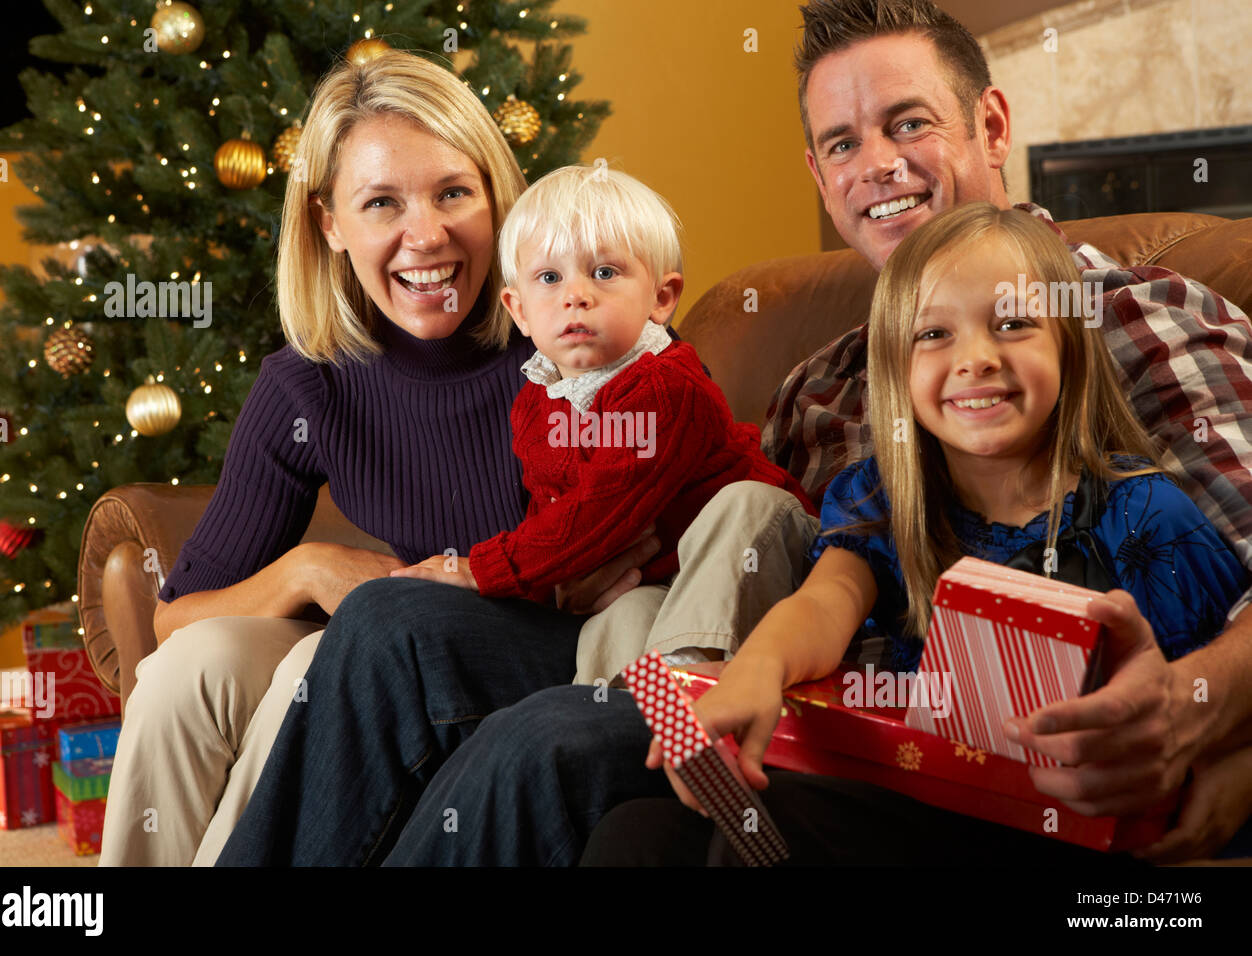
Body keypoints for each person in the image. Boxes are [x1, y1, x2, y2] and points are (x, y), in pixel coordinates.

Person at [380, 0, 1252, 867]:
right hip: (785, 723)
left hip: (970, 783)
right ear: (818, 171)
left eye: (907, 123)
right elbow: (807, 581)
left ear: (989, 126)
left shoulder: (1130, 316)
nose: (875, 164)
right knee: (398, 625)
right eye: (842, 143)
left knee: (551, 739)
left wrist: (1201, 715)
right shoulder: (819, 386)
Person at [100, 50, 652, 866]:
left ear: (497, 197)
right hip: (399, 632)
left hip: (534, 650)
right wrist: (312, 569)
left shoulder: (577, 331)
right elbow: (174, 615)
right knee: (188, 670)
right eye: (381, 202)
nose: (424, 235)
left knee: (318, 666)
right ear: (330, 224)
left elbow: (642, 545)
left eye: (453, 193)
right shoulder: (310, 385)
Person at [581, 201, 1249, 864]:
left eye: (1013, 323)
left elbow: (1208, 686)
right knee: (634, 835)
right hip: (923, 795)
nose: (976, 359)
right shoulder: (883, 501)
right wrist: (759, 667)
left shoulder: (1143, 511)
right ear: (895, 369)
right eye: (933, 335)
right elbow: (824, 602)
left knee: (789, 819)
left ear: (1070, 347)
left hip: (1067, 818)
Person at [392, 165, 815, 684]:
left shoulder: (664, 387)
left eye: (605, 273)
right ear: (519, 310)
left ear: (662, 298)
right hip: (663, 587)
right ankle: (621, 728)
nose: (576, 295)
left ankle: (693, 689)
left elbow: (602, 510)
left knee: (747, 504)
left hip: (770, 562)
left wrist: (483, 568)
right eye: (550, 278)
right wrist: (547, 590)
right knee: (623, 617)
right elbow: (549, 509)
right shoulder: (535, 404)